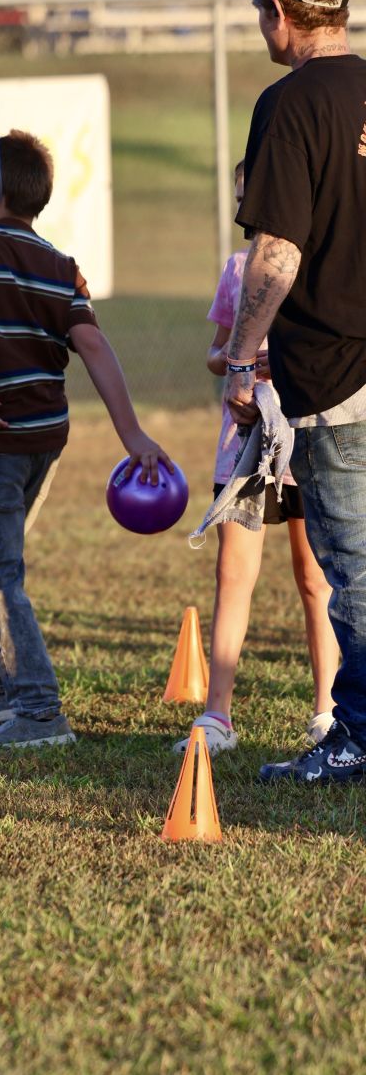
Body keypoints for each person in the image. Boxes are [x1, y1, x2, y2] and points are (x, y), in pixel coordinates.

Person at [0, 129, 173, 749]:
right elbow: (92, 345)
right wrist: (132, 433)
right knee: (3, 561)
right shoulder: (61, 267)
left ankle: (38, 711)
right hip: (43, 442)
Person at [225, 0, 366, 783]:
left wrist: (244, 357)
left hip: (338, 375)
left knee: (354, 571)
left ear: (281, 11)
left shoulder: (292, 104)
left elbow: (277, 251)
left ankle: (356, 736)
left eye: (258, 4)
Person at [174, 160, 338, 757]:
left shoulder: (319, 271)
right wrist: (241, 361)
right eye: (245, 198)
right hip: (244, 451)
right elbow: (218, 354)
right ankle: (217, 718)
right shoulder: (238, 272)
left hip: (306, 441)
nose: (252, 209)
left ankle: (327, 710)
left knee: (316, 578)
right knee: (233, 576)